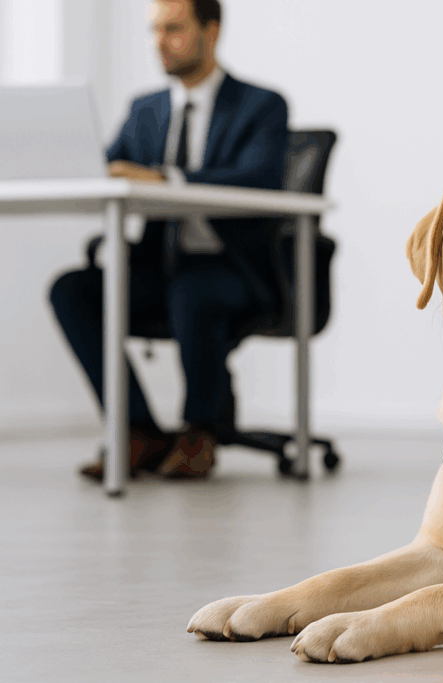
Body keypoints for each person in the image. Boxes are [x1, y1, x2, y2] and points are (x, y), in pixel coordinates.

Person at [49, 0, 289, 480]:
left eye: (174, 29)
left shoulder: (260, 105)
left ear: (211, 31)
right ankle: (139, 429)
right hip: (160, 267)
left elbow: (259, 179)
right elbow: (104, 170)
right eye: (154, 30)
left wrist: (167, 180)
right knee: (71, 290)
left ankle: (200, 431)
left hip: (233, 269)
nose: (160, 41)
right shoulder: (145, 111)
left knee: (194, 288)